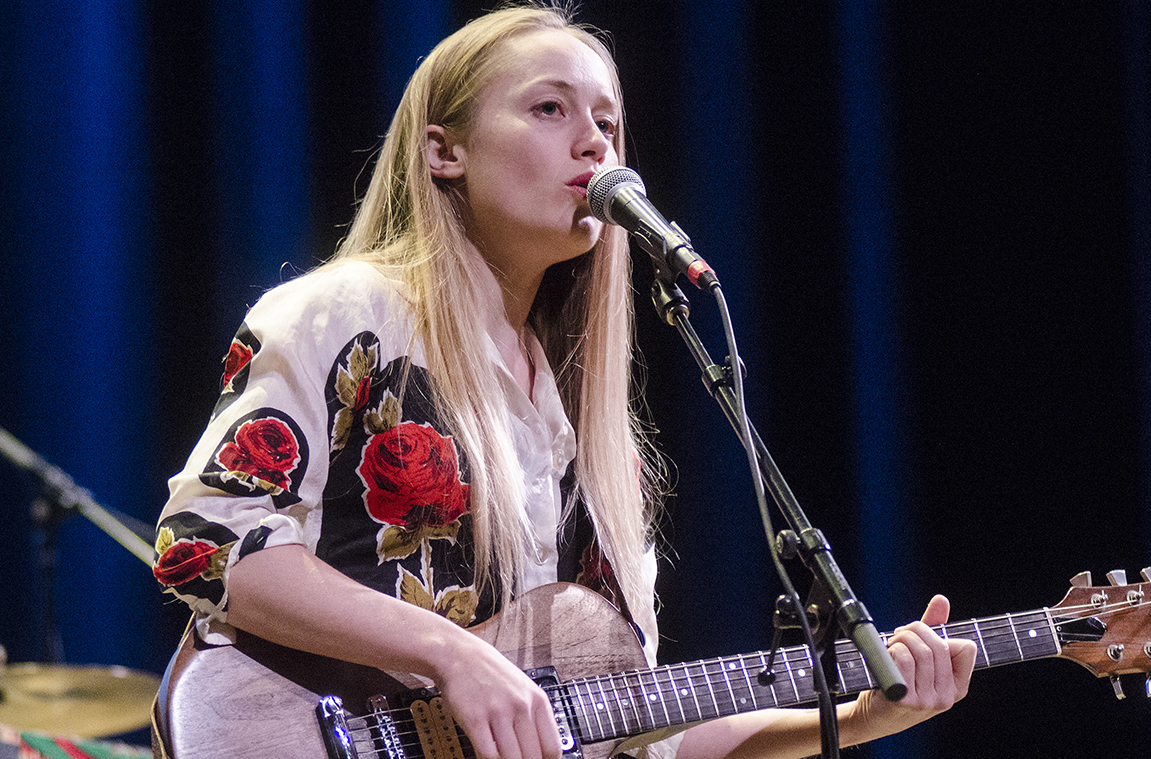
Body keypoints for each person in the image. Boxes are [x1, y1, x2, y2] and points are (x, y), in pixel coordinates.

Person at [152, 5, 976, 759]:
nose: (595, 144)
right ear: (444, 151)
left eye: (608, 123)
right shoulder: (345, 314)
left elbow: (634, 734)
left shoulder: (581, 422)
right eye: (551, 108)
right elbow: (208, 540)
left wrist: (858, 718)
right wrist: (451, 653)